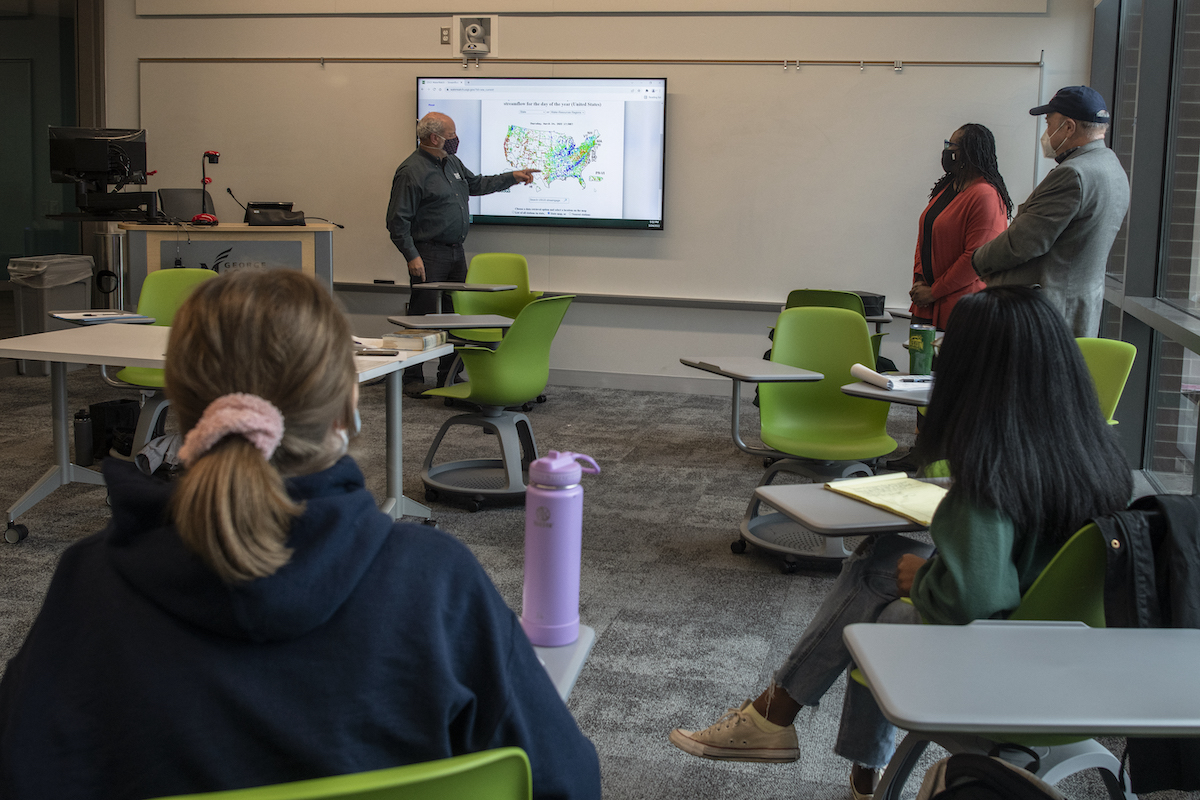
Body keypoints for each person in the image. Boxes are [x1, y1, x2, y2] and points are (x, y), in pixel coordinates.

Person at [0, 270, 600, 800]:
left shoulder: (90, 587)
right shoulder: (436, 583)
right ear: (346, 409)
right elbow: (562, 780)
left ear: (179, 413)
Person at [668, 286, 1131, 799]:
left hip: (1007, 681)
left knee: (881, 594)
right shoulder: (1098, 456)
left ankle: (780, 717)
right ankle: (846, 765)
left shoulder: (992, 470)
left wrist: (927, 581)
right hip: (1083, 673)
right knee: (889, 564)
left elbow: (974, 597)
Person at [386, 112, 540, 393]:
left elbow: (475, 184)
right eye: (452, 134)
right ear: (435, 138)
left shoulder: (451, 162)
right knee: (422, 317)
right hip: (428, 253)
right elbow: (397, 221)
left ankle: (450, 375)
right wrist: (412, 256)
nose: (456, 139)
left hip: (456, 252)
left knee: (457, 316)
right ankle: (412, 378)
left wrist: (513, 177)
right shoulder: (411, 171)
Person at [972, 86, 1131, 337]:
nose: (1046, 133)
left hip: (1044, 317)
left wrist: (977, 260)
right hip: (1076, 313)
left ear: (1068, 127)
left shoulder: (1074, 174)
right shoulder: (1113, 168)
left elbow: (1023, 242)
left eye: (1049, 123)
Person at [909, 123, 1012, 329]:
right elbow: (926, 236)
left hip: (961, 308)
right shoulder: (949, 186)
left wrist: (934, 291)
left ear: (968, 153)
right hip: (926, 302)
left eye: (952, 145)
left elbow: (975, 258)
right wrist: (921, 282)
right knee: (920, 361)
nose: (947, 151)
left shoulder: (985, 195)